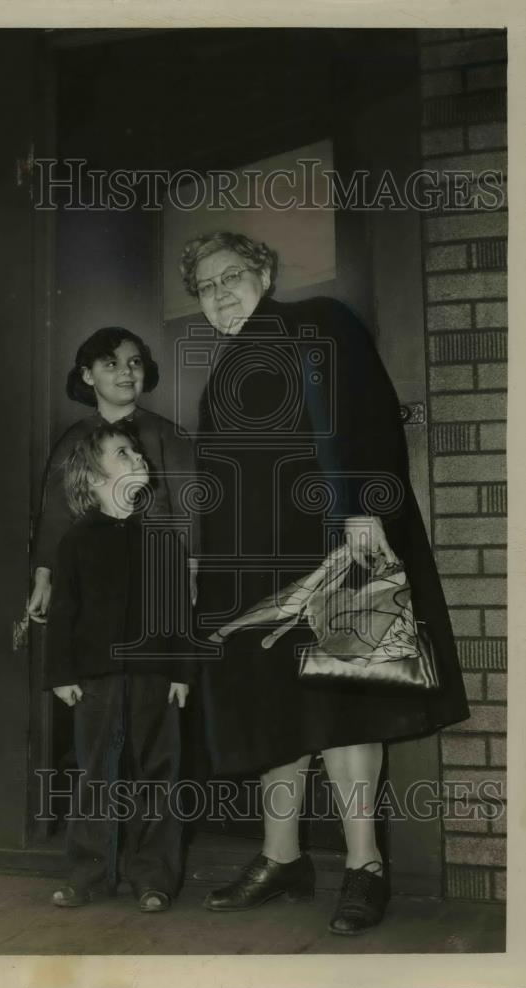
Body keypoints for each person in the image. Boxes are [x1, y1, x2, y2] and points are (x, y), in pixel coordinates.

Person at [178, 231, 469, 934]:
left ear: (265, 272)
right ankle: (282, 858)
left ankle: (365, 864)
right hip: (256, 567)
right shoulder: (222, 368)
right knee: (273, 708)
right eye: (205, 287)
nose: (219, 294)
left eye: (231, 277)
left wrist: (362, 509)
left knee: (343, 701)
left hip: (331, 545)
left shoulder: (318, 321)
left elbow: (363, 416)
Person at [44, 423, 194, 911]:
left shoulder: (164, 540)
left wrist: (182, 673)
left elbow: (179, 616)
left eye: (138, 451)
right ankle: (87, 872)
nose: (138, 458)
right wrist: (61, 675)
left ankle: (154, 876)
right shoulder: (76, 542)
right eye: (123, 452)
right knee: (95, 773)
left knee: (159, 773)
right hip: (95, 679)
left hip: (155, 676)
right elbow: (63, 613)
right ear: (92, 477)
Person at [28, 327, 199, 622]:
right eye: (111, 364)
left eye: (135, 362)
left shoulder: (168, 435)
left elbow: (190, 510)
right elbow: (56, 514)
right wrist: (43, 577)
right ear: (88, 375)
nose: (126, 372)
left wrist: (190, 572)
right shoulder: (73, 440)